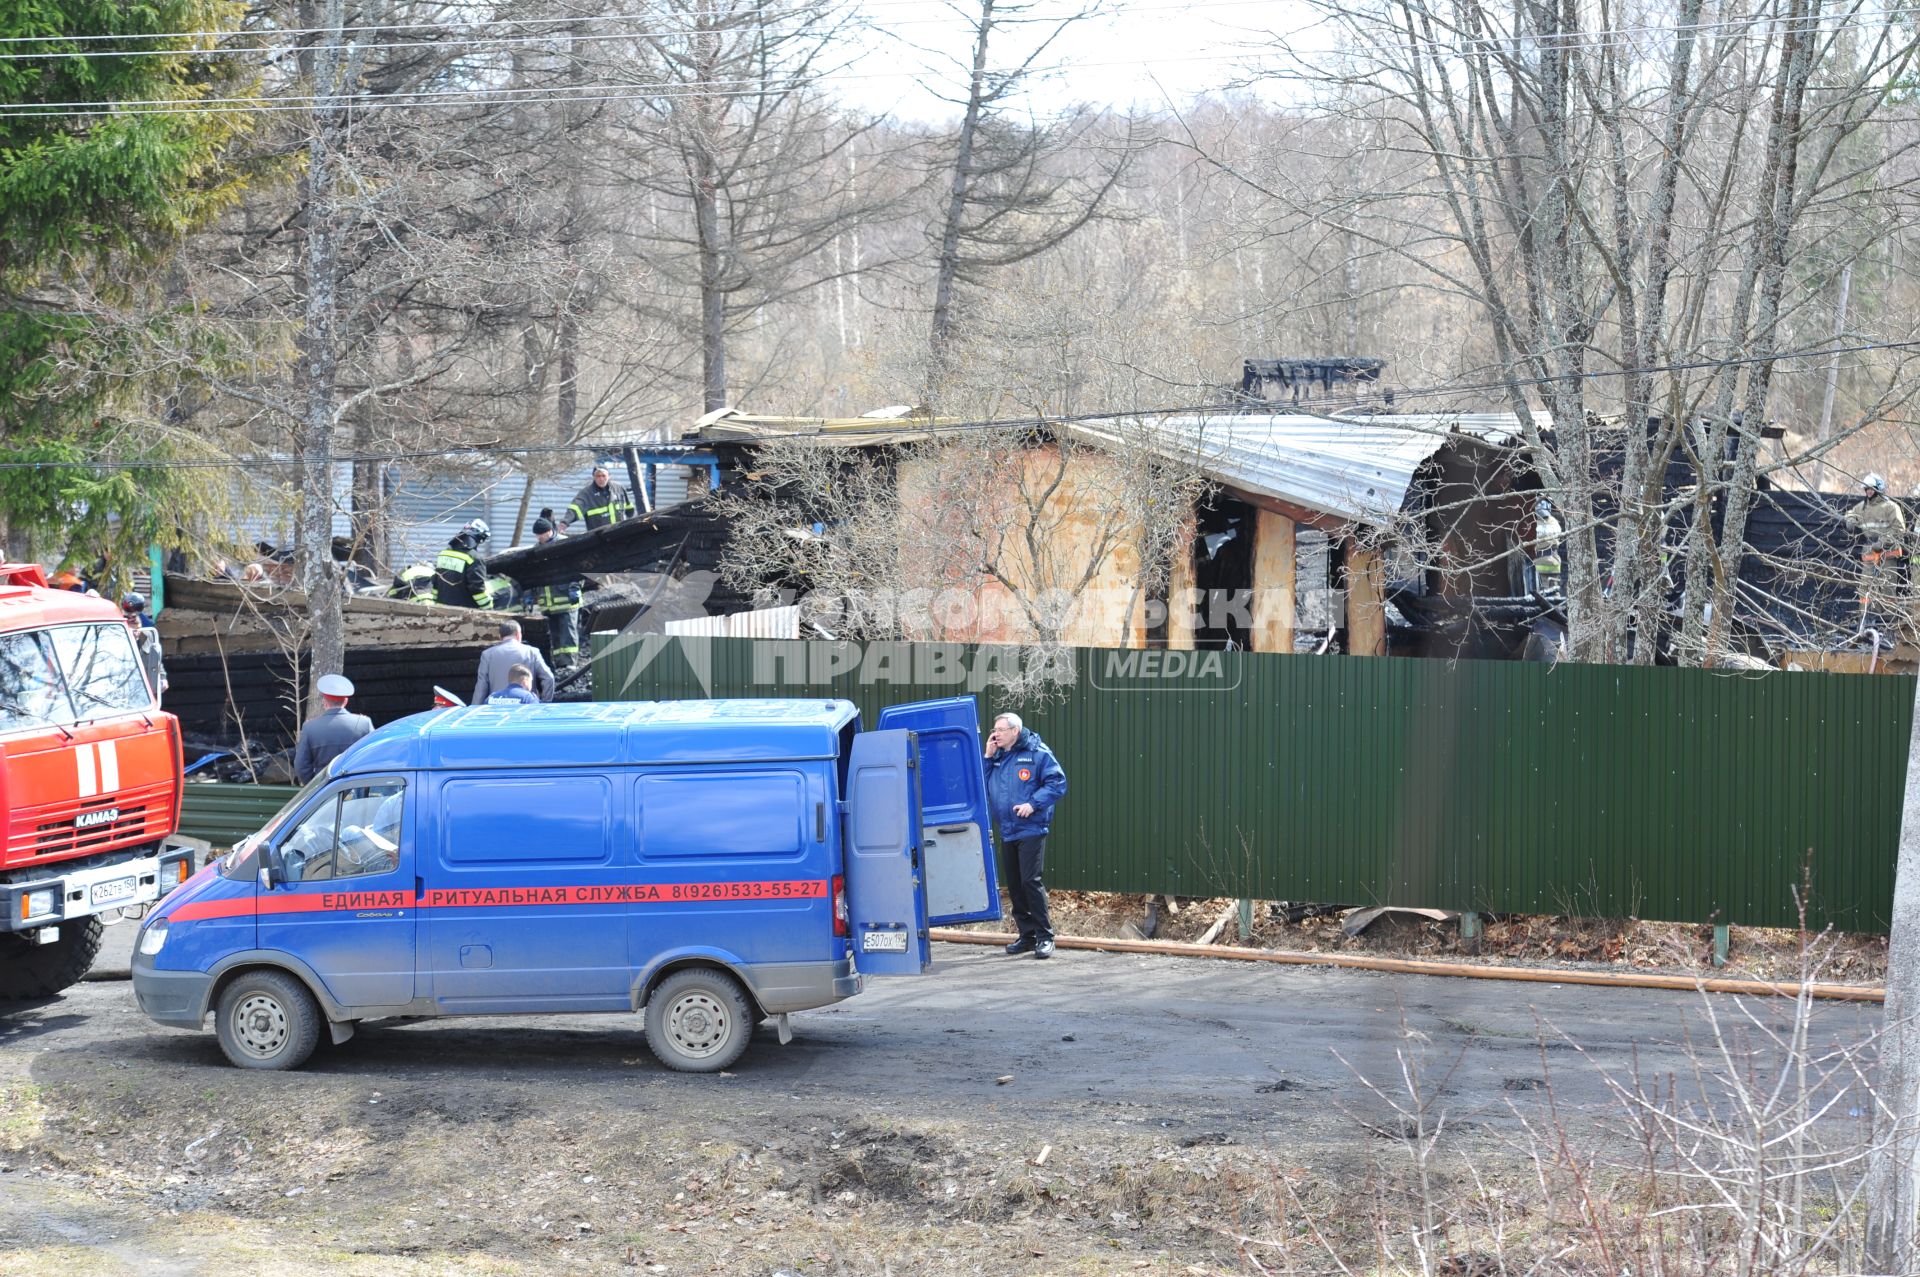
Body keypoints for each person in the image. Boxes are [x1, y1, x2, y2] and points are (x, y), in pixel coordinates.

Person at [983, 711, 1069, 960]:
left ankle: (1045, 937)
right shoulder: (998, 756)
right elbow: (984, 785)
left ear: (1015, 732)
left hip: (1031, 828)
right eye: (994, 729)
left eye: (1000, 729)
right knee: (1015, 885)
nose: (995, 734)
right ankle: (1027, 936)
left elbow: (1057, 782)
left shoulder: (1037, 752)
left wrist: (1032, 804)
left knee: (1030, 882)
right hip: (1008, 830)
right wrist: (988, 757)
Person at [1845, 473, 1908, 618]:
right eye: (1866, 489)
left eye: (1871, 489)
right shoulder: (1862, 507)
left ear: (1879, 489)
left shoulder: (1891, 507)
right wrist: (1850, 520)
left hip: (1888, 555)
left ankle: (1888, 621)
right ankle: (1865, 619)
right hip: (1869, 554)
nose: (1868, 492)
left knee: (1887, 588)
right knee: (1865, 588)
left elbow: (1899, 530)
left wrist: (1882, 542)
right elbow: (1850, 513)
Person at [293, 673, 373, 783]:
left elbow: (301, 766)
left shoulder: (310, 727)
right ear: (345, 701)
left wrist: (315, 786)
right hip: (356, 787)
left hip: (324, 789)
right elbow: (373, 757)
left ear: (324, 702)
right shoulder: (364, 723)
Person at [529, 513, 585, 667]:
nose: (538, 538)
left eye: (540, 535)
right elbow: (534, 575)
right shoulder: (536, 549)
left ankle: (570, 663)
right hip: (548, 603)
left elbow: (578, 568)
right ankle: (559, 663)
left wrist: (575, 586)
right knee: (555, 635)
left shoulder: (565, 545)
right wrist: (532, 593)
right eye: (536, 535)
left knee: (568, 633)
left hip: (566, 599)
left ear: (548, 531)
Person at [474, 618, 555, 704]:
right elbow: (548, 678)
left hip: (497, 709)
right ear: (518, 634)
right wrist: (545, 703)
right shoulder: (532, 652)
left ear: (500, 637)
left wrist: (474, 709)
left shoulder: (487, 654)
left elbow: (481, 686)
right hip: (526, 707)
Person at [557, 460, 638, 533]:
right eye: (598, 476)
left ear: (609, 476)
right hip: (600, 539)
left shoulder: (619, 488)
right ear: (593, 477)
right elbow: (574, 509)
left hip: (620, 535)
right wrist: (564, 523)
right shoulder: (586, 494)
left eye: (603, 476)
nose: (601, 479)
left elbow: (630, 510)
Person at [433, 518, 493, 609]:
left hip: (440, 610)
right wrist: (489, 609)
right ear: (479, 537)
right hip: (464, 613)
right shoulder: (474, 558)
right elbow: (477, 589)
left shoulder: (443, 553)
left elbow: (435, 583)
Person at [1526, 499, 1563, 597]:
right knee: (1548, 589)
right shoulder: (1545, 522)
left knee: (1551, 589)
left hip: (1549, 558)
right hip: (1544, 558)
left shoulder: (1550, 522)